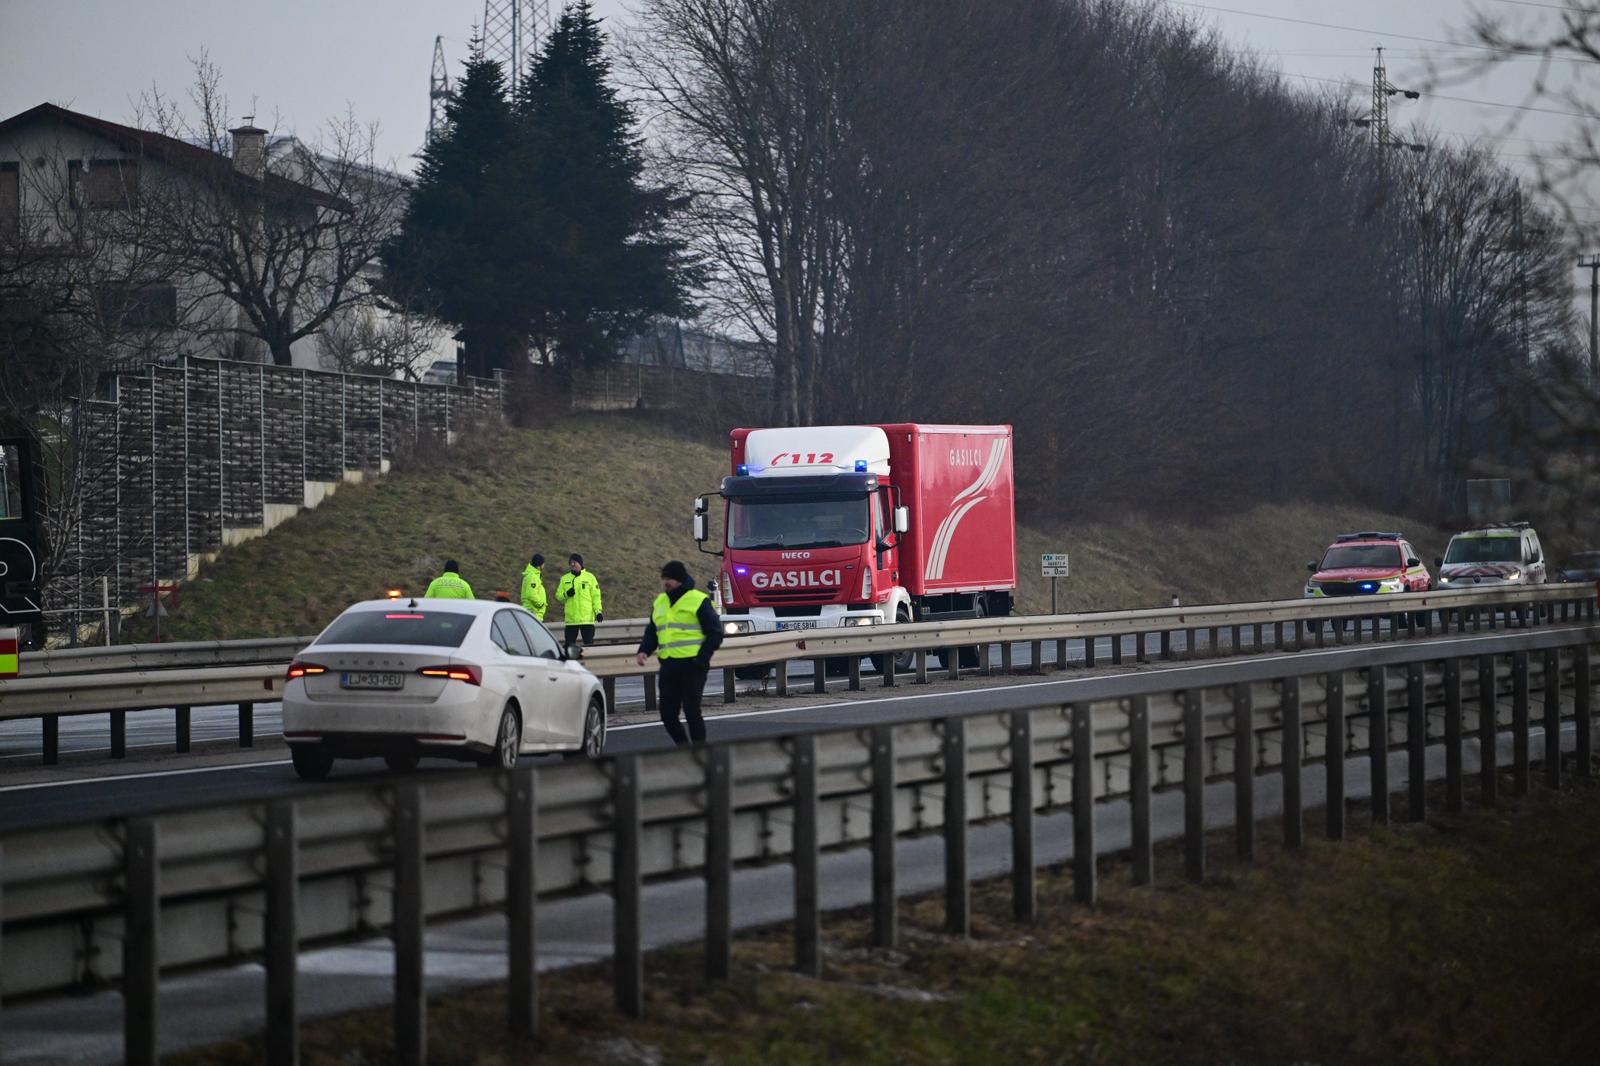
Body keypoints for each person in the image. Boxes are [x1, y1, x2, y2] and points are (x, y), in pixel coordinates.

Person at [635, 560, 723, 746]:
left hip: (693, 665)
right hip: (668, 665)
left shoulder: (698, 600)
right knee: (667, 714)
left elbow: (715, 632)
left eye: (671, 578)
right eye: (664, 578)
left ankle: (699, 752)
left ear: (681, 580)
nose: (666, 582)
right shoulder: (660, 601)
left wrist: (701, 658)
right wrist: (644, 650)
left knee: (692, 711)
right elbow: (653, 631)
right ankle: (684, 748)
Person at [556, 553, 603, 648]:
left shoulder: (590, 577)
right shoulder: (564, 579)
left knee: (589, 646)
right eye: (571, 563)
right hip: (571, 620)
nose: (572, 564)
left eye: (575, 562)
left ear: (580, 564)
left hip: (587, 620)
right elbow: (558, 596)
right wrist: (567, 594)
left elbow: (596, 597)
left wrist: (598, 612)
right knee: (569, 647)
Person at [520, 553, 548, 621]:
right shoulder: (533, 577)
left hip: (533, 613)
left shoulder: (532, 575)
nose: (544, 565)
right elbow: (531, 594)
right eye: (543, 564)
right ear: (538, 566)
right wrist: (541, 604)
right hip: (533, 613)